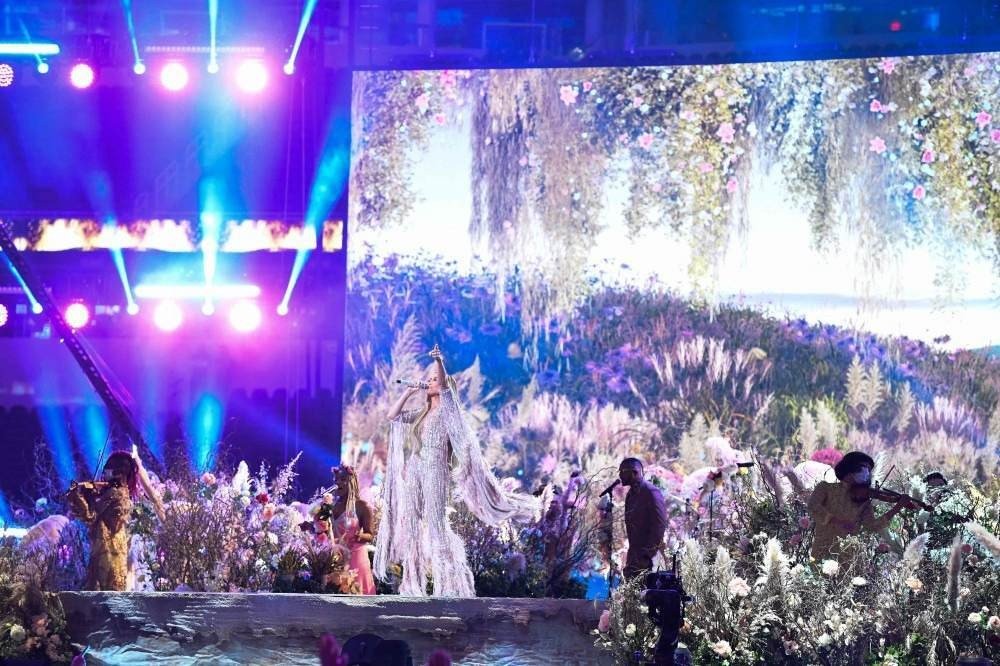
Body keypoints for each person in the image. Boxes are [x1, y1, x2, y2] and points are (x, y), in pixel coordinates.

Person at [375, 344, 538, 597]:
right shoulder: (422, 413)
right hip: (416, 470)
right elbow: (392, 416)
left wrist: (439, 360)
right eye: (427, 379)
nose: (429, 383)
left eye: (433, 379)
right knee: (412, 524)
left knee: (436, 525)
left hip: (435, 471)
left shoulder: (448, 410)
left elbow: (443, 385)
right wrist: (408, 393)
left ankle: (448, 585)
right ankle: (411, 585)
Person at [807, 451, 914, 561]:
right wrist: (838, 521)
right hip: (822, 550)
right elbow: (813, 506)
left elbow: (872, 526)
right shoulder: (825, 488)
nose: (867, 473)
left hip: (848, 556)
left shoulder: (863, 499)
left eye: (869, 470)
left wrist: (897, 508)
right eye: (863, 468)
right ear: (849, 468)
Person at [66, 451, 138, 591]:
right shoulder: (116, 492)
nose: (104, 475)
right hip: (107, 546)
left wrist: (83, 498)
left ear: (119, 473)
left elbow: (91, 517)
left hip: (109, 549)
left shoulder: (115, 494)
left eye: (108, 471)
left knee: (107, 590)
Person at [330, 465, 377, 595]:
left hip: (355, 559)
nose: (337, 482)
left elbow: (370, 535)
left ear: (352, 481)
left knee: (358, 601)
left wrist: (360, 536)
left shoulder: (362, 506)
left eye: (342, 479)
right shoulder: (331, 506)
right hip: (336, 560)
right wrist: (312, 526)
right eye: (336, 479)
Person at [619, 457, 668, 580]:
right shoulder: (630, 495)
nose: (620, 476)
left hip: (648, 558)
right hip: (635, 556)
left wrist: (647, 554)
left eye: (622, 471)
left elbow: (659, 525)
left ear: (635, 472)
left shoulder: (651, 492)